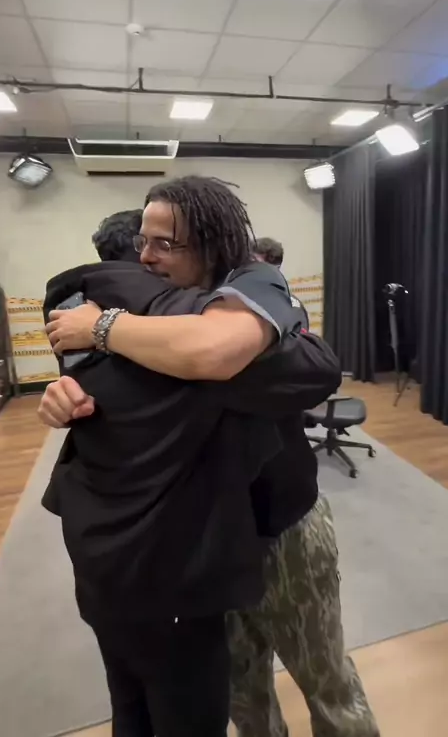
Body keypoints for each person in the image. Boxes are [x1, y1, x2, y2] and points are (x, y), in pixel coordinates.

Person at [42, 176, 378, 737]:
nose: (145, 257)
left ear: (211, 243)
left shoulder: (253, 284)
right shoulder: (148, 306)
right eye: (143, 242)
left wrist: (100, 328)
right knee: (243, 693)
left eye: (164, 244)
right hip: (202, 539)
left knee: (327, 683)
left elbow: (216, 353)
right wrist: (68, 395)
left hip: (282, 525)